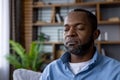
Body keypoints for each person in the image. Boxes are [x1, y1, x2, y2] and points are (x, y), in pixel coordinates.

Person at [39, 8, 120, 80]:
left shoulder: (116, 71)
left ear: (95, 34)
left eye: (80, 28)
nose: (70, 33)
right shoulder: (51, 70)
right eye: (66, 29)